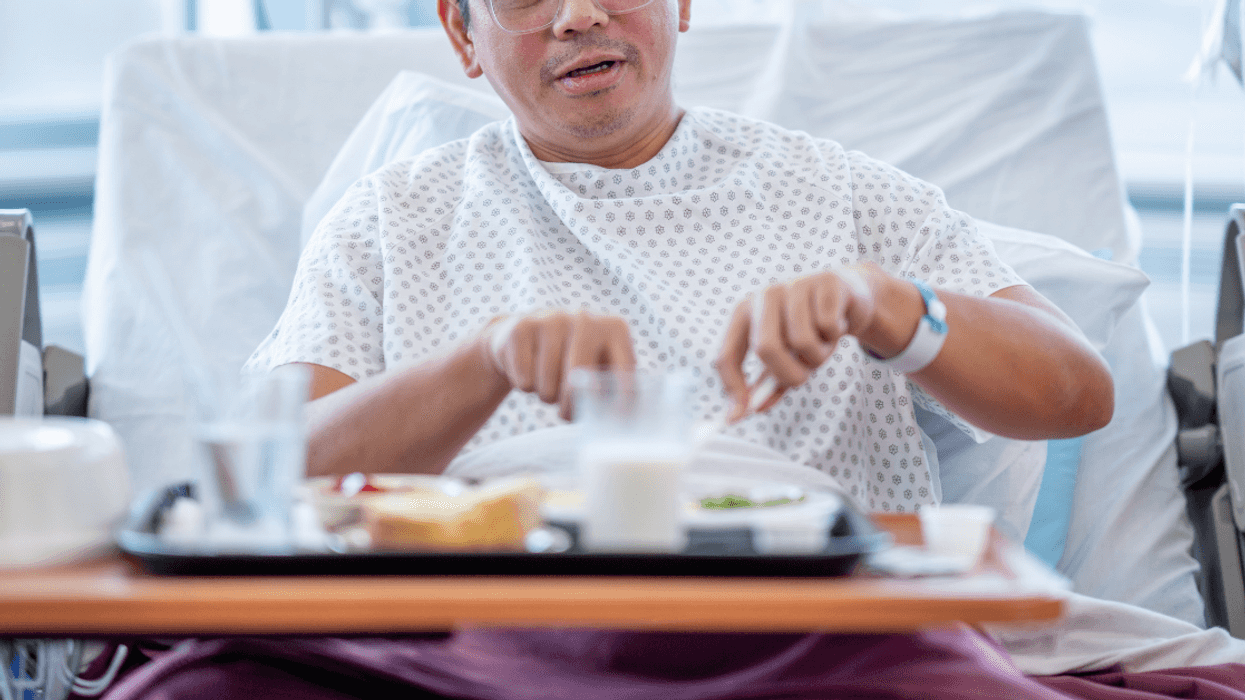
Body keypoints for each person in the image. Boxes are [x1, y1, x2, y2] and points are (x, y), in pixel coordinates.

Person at [246, 0, 1113, 515]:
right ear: (461, 33)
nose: (578, 13)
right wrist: (482, 364)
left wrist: (888, 305)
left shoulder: (843, 194)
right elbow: (269, 474)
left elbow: (1078, 393)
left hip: (813, 628)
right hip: (495, 634)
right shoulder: (390, 222)